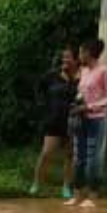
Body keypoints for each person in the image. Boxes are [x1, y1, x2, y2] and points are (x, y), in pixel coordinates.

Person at [67, 38, 107, 209]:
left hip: (97, 120)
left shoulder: (104, 71)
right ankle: (76, 196)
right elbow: (82, 92)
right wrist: (76, 104)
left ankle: (93, 197)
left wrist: (89, 106)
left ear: (88, 53)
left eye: (80, 52)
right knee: (78, 158)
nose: (79, 56)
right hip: (81, 120)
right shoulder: (83, 71)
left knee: (94, 160)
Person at [33, 48, 80, 197]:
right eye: (63, 57)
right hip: (53, 120)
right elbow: (39, 87)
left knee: (69, 155)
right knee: (46, 153)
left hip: (72, 122)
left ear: (76, 60)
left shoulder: (81, 78)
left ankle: (66, 187)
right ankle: (36, 183)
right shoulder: (52, 75)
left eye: (68, 57)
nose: (64, 60)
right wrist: (42, 104)